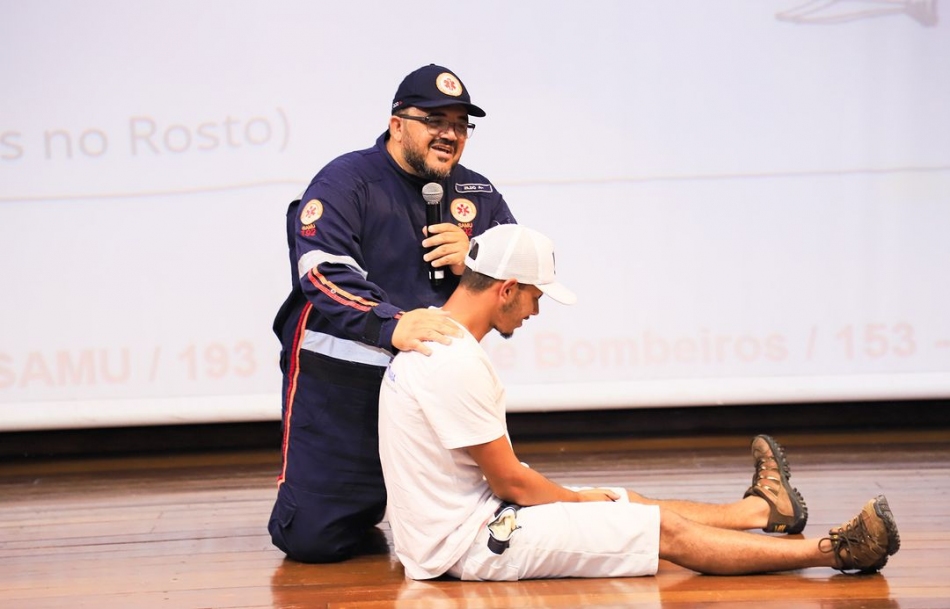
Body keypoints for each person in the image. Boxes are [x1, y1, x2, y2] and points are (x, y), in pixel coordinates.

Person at [377, 224, 902, 580]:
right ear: (507, 288)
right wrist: (578, 502)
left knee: (624, 499)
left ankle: (762, 511)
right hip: (466, 542)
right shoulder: (453, 360)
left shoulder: (432, 332)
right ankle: (837, 552)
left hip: (461, 520)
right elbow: (510, 482)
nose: (537, 312)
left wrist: (591, 500)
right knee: (659, 529)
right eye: (537, 297)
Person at [269, 64, 517, 563]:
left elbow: (520, 279)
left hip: (434, 389)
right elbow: (320, 271)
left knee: (477, 528)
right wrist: (392, 324)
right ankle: (362, 503)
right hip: (343, 385)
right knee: (312, 543)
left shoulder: (478, 194)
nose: (450, 134)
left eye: (461, 124)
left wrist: (474, 258)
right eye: (435, 119)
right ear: (397, 123)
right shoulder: (346, 180)